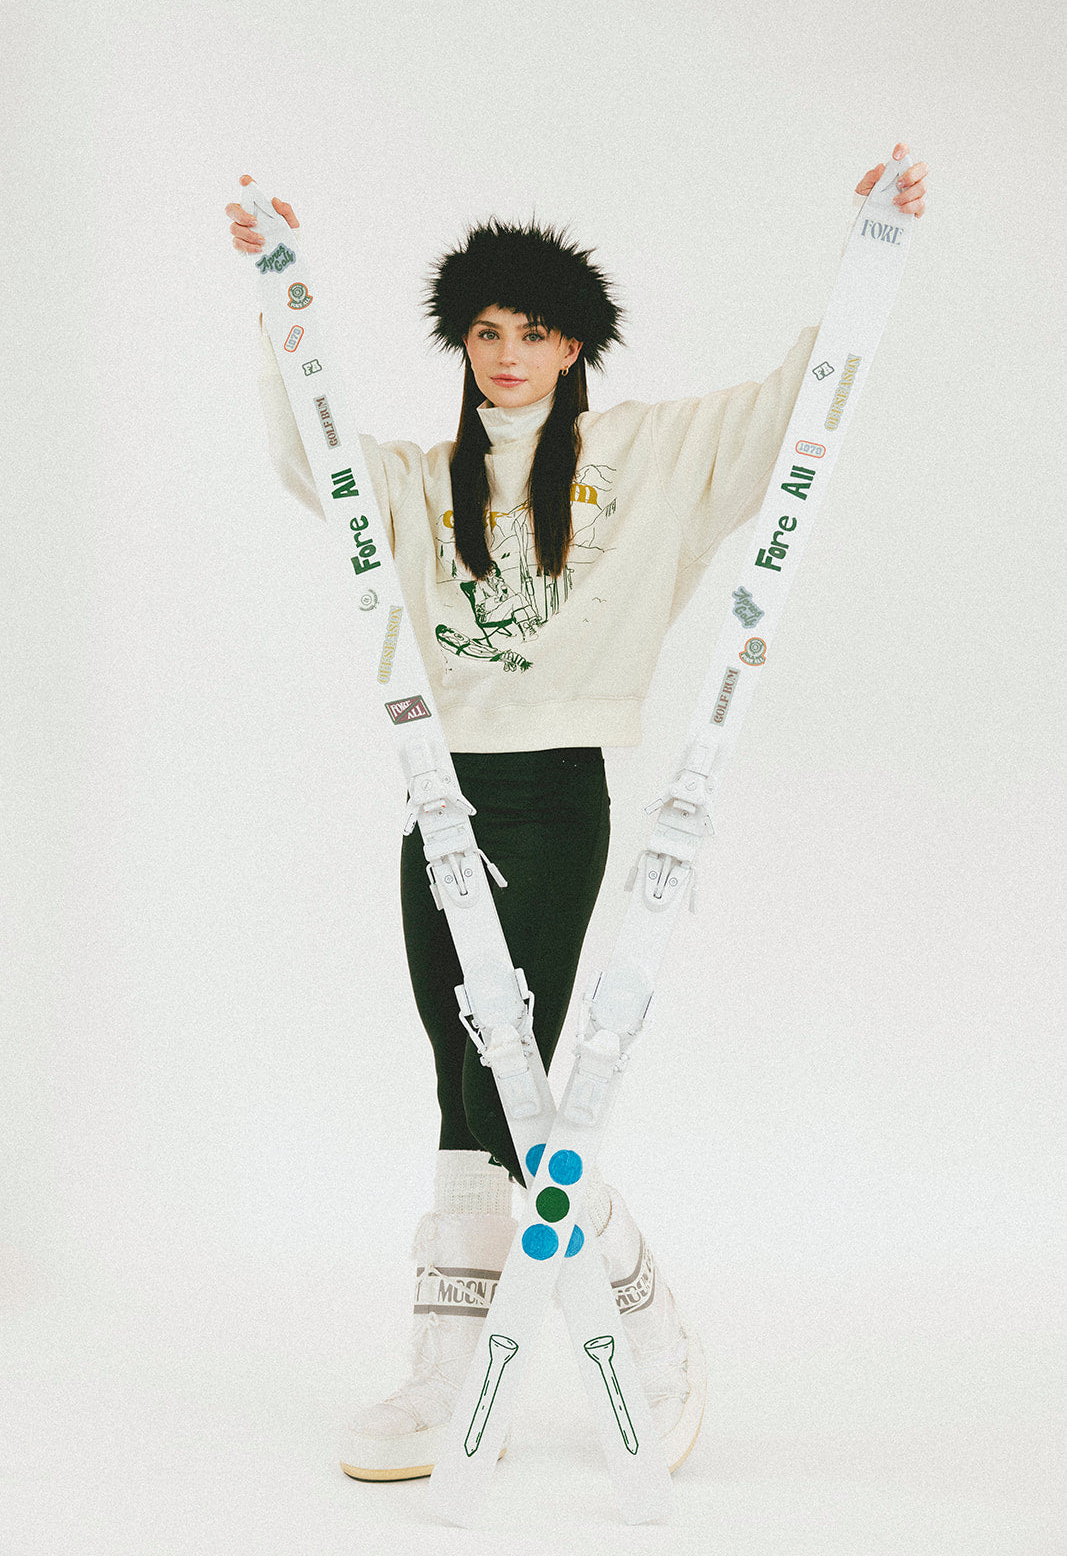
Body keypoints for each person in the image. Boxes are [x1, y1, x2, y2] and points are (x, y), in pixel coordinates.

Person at [225, 146, 929, 1483]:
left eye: (532, 331)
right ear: (463, 342)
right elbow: (310, 464)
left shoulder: (644, 457)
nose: (507, 353)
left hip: (559, 797)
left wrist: (866, 251)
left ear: (571, 343)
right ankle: (443, 1376)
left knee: (523, 1081)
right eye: (487, 330)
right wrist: (282, 309)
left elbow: (789, 408)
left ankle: (649, 1327)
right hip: (442, 791)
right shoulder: (426, 481)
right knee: (461, 1075)